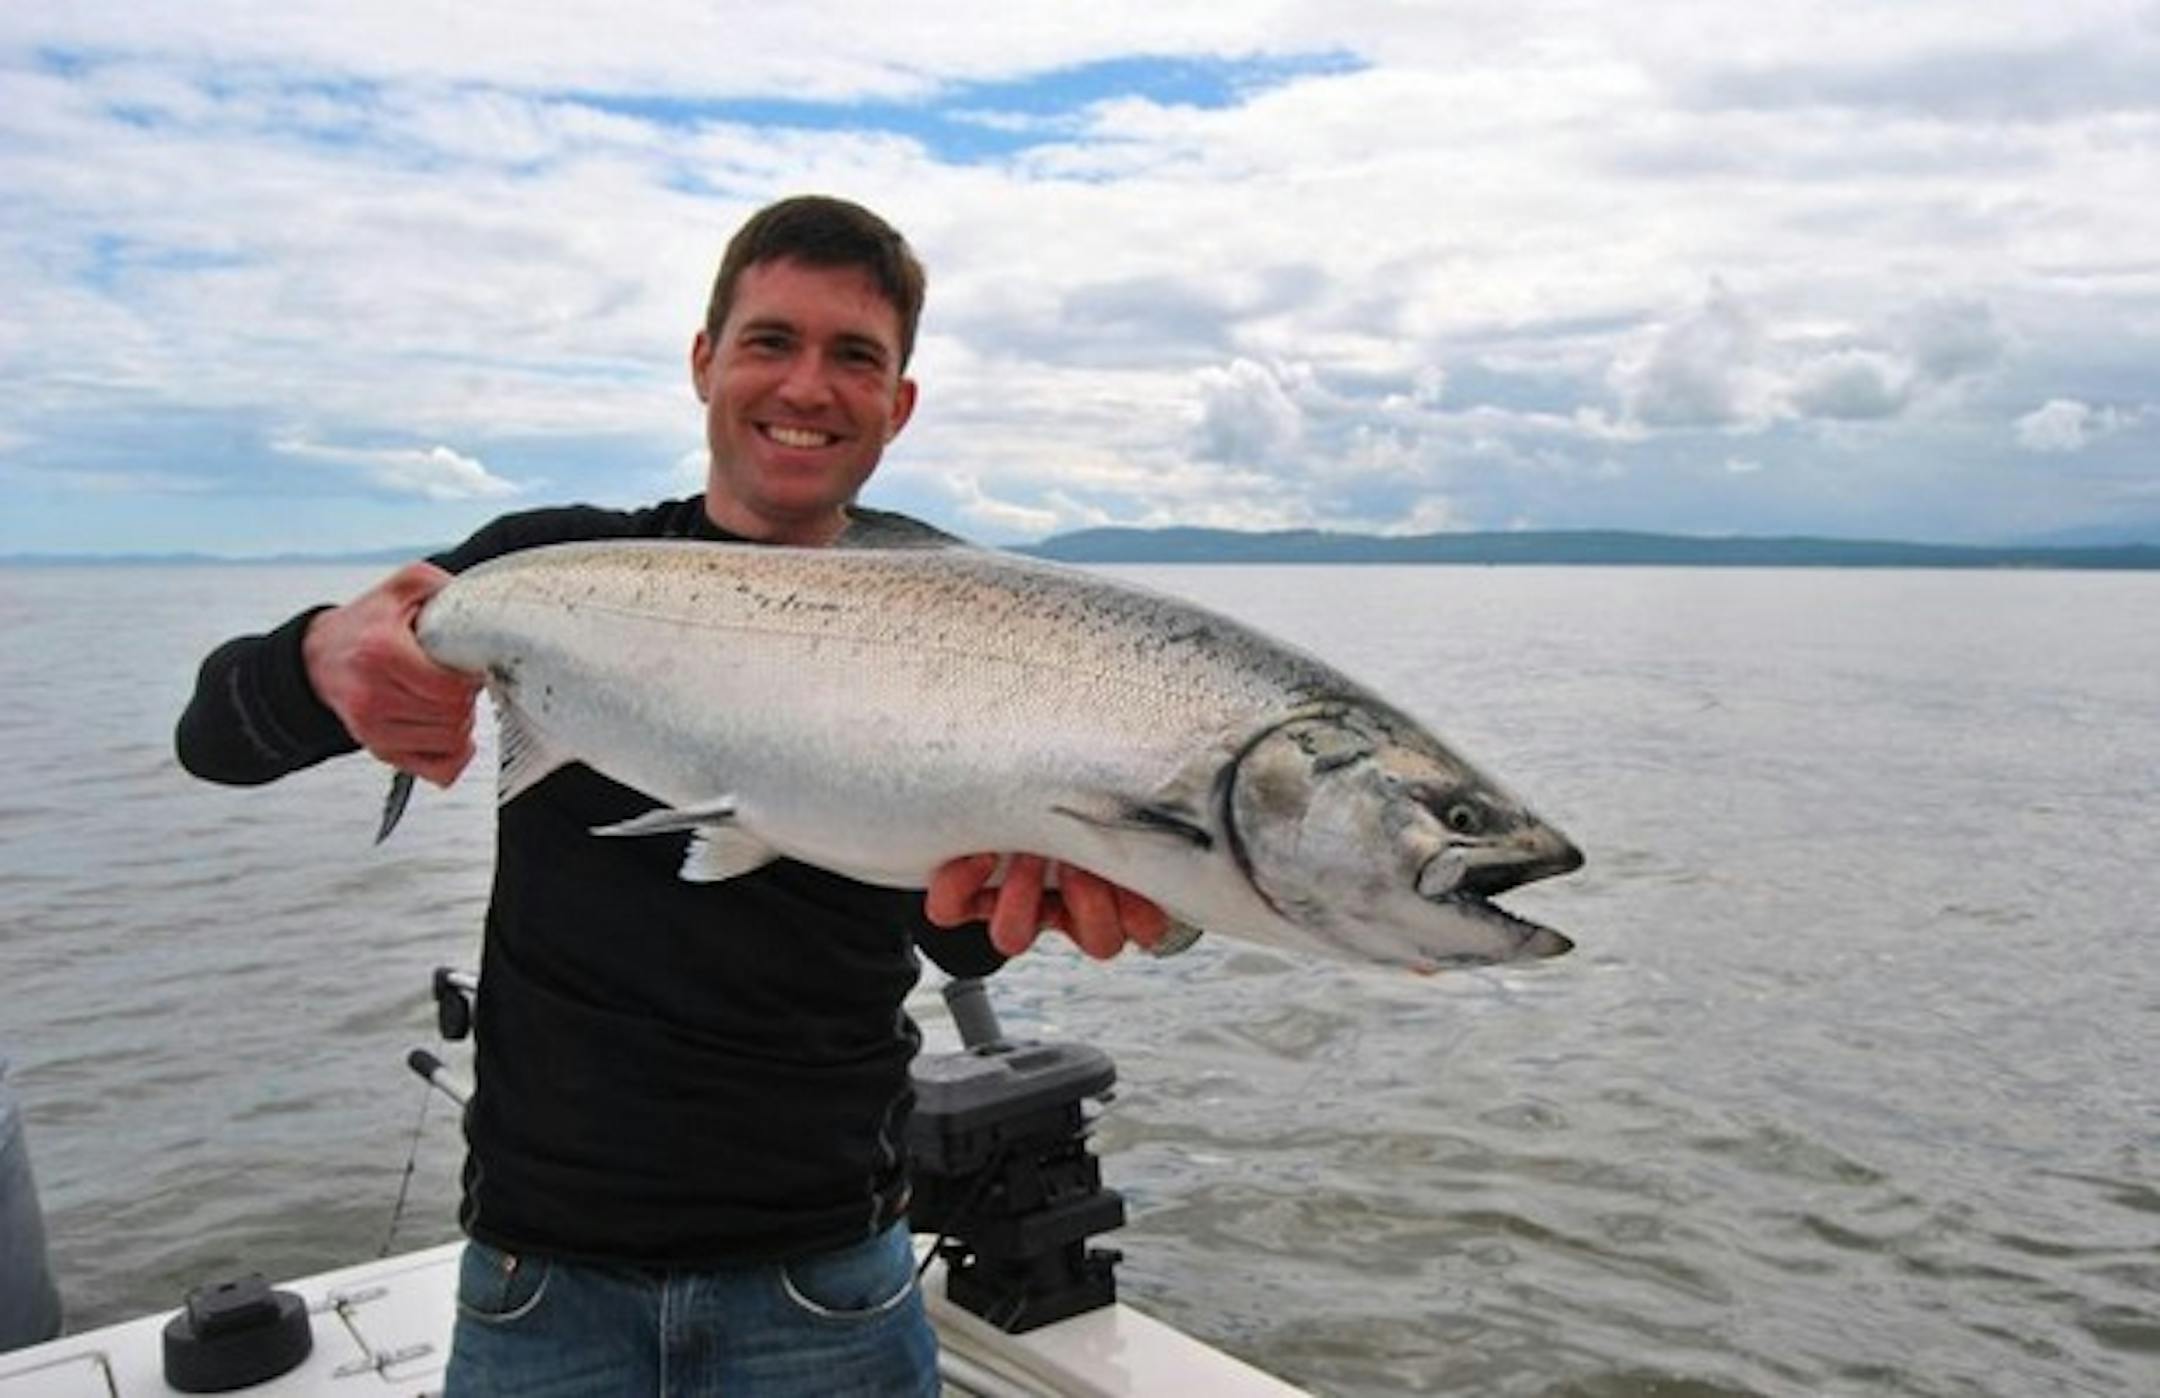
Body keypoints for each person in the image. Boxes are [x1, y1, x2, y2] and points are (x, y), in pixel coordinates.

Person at [174, 194, 1168, 1397]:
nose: (807, 386)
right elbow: (216, 741)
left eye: (854, 357)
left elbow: (950, 932)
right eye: (770, 341)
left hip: (828, 1287)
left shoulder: (956, 623)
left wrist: (1031, 887)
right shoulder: (558, 569)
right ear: (704, 362)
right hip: (540, 1285)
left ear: (898, 403)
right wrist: (320, 655)